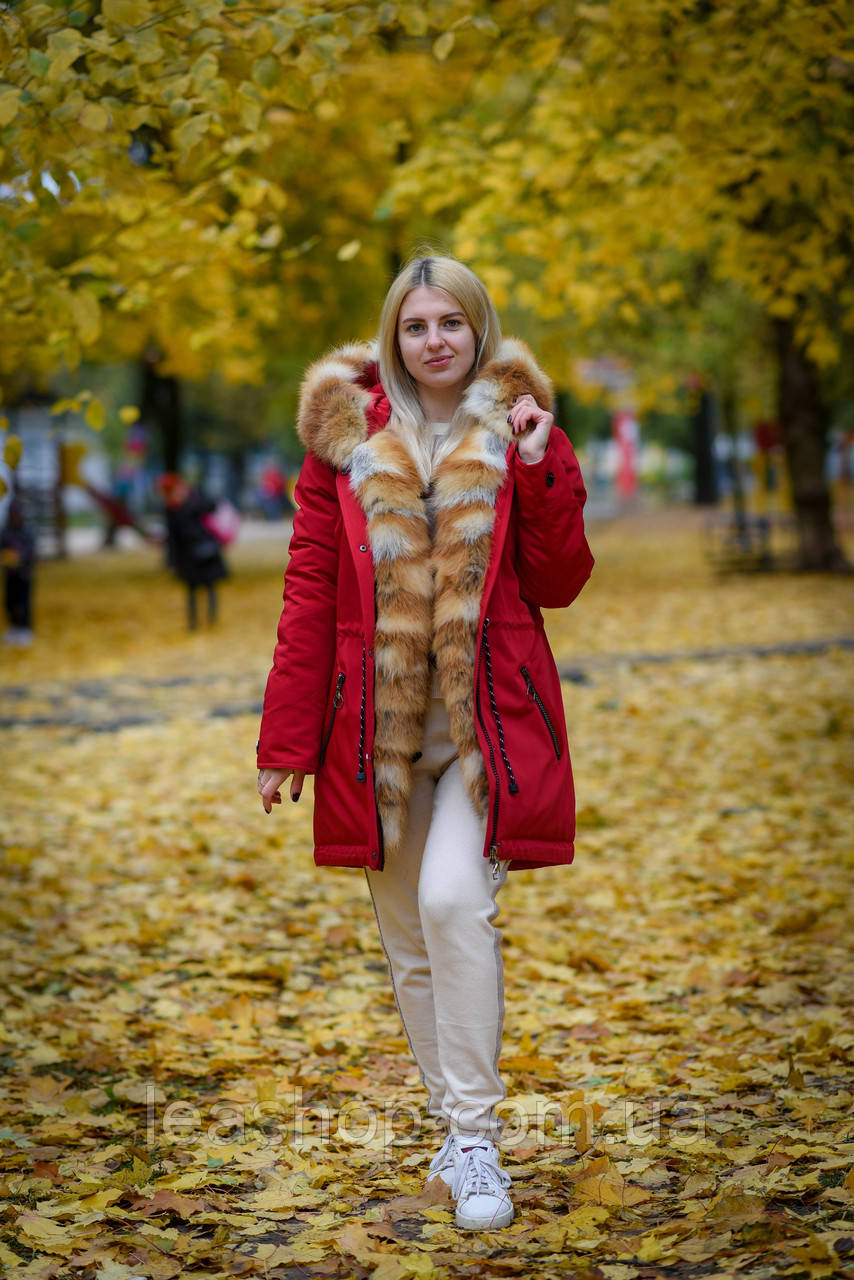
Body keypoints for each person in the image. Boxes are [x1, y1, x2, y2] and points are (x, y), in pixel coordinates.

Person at [256, 254, 594, 1231]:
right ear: (393, 336)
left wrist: (541, 463)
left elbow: (559, 577)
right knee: (407, 940)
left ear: (476, 328)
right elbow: (310, 591)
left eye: (451, 321)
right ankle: (453, 1125)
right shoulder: (342, 445)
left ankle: (479, 1142)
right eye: (416, 325)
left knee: (452, 901)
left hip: (485, 723)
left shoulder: (518, 429)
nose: (434, 339)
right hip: (375, 728)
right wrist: (286, 739)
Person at [159, 473, 227, 630]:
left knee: (210, 586)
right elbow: (172, 538)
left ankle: (211, 620)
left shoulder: (194, 498)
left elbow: (212, 506)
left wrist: (189, 497)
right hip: (187, 555)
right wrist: (171, 562)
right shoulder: (171, 509)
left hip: (206, 550)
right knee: (191, 589)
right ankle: (193, 623)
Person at [1, 494, 37, 647]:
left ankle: (25, 628)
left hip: (24, 573)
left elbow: (31, 551)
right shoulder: (6, 531)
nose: (15, 517)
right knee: (9, 601)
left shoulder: (27, 531)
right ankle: (14, 626)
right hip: (10, 573)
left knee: (24, 602)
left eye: (17, 514)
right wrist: (6, 557)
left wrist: (20, 558)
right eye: (12, 514)